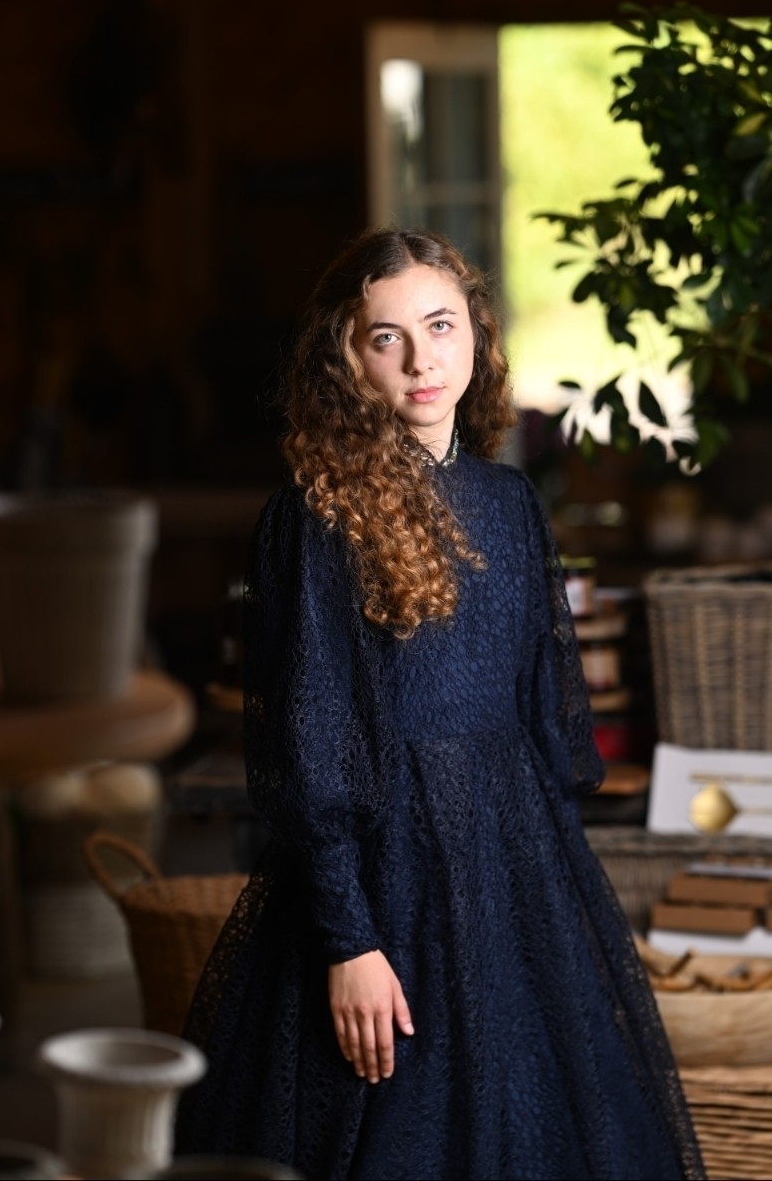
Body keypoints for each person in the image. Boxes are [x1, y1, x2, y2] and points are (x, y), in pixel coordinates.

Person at [174, 227, 706, 1181]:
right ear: (347, 359)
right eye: (387, 337)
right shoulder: (317, 517)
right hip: (386, 875)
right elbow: (309, 744)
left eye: (441, 325)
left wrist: (558, 902)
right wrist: (351, 942)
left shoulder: (510, 503)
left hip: (512, 865)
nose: (422, 360)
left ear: (476, 335)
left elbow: (546, 719)